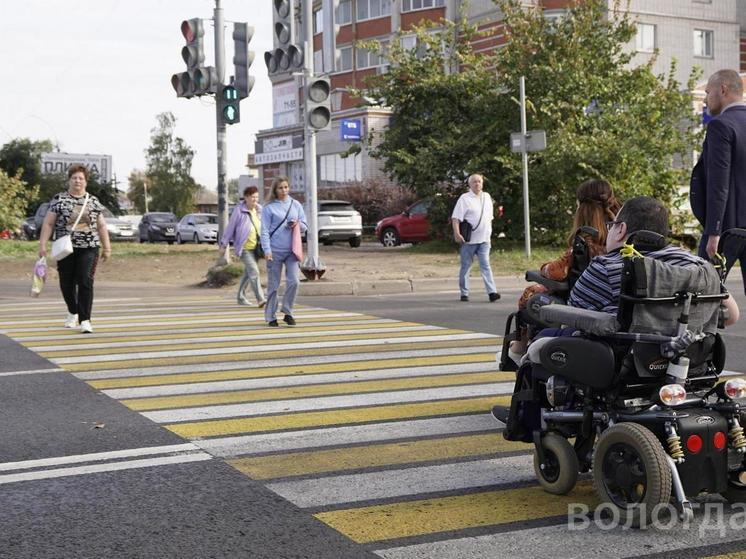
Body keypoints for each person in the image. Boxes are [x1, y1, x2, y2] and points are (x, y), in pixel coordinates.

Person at [568, 196, 739, 323]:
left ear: (621, 230)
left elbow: (570, 318)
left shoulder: (606, 267)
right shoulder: (696, 265)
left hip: (622, 362)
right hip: (687, 359)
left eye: (611, 226)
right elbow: (731, 315)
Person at [508, 179, 620, 362]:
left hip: (580, 303)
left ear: (581, 208)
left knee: (531, 293)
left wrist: (543, 268)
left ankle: (517, 349)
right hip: (614, 303)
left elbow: (555, 272)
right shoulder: (622, 237)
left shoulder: (584, 242)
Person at [690, 69, 746, 292]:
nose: (705, 99)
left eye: (707, 92)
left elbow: (718, 183)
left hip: (726, 230)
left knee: (702, 295)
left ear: (722, 90)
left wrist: (713, 232)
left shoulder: (720, 125)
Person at [38, 164, 111, 333]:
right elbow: (48, 223)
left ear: (86, 182)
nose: (77, 181)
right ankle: (73, 311)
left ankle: (85, 320)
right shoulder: (59, 199)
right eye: (74, 178)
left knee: (85, 280)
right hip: (65, 248)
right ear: (69, 180)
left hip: (89, 247)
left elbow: (101, 226)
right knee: (66, 283)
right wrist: (42, 244)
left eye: (81, 178)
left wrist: (107, 247)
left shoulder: (93, 201)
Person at [260, 176, 307, 327]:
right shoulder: (269, 207)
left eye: (286, 187)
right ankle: (270, 316)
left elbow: (305, 226)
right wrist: (267, 250)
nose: (284, 190)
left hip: (292, 251)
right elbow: (264, 231)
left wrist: (297, 224)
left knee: (294, 282)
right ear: (275, 189)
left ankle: (287, 311)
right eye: (280, 187)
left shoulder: (296, 204)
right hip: (274, 251)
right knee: (273, 285)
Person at [451, 173, 500, 303]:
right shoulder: (465, 198)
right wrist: (457, 233)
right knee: (466, 266)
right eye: (474, 182)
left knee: (486, 265)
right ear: (470, 184)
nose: (477, 184)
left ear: (482, 183)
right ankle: (464, 293)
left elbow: (489, 217)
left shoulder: (487, 197)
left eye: (479, 181)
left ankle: (492, 292)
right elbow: (456, 218)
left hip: (484, 239)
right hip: (469, 240)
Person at [219, 185, 266, 308]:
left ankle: (240, 297)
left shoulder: (259, 210)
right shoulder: (239, 210)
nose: (255, 199)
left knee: (248, 273)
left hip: (257, 247)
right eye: (252, 197)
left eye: (256, 197)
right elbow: (230, 228)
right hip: (244, 248)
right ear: (246, 197)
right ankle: (260, 299)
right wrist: (224, 244)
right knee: (254, 271)